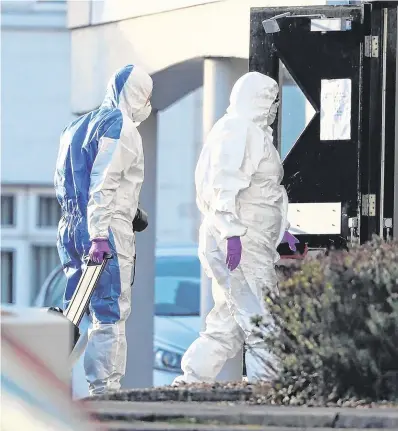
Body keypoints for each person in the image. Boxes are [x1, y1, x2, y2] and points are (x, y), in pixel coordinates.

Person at [173, 71, 292, 385]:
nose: (275, 108)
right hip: (242, 242)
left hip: (244, 238)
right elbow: (223, 185)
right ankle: (265, 388)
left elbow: (260, 192)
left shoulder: (244, 131)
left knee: (227, 321)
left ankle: (193, 379)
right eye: (270, 99)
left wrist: (282, 230)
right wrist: (231, 233)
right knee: (261, 318)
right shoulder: (239, 131)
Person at [54, 64, 153, 395]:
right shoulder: (121, 126)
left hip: (70, 227)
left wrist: (129, 210)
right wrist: (99, 233)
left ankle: (50, 384)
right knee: (110, 313)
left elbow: (70, 183)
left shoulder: (75, 125)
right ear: (135, 94)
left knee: (74, 314)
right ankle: (105, 392)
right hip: (105, 231)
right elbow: (104, 180)